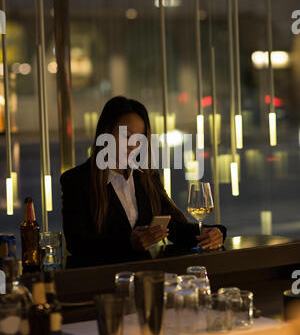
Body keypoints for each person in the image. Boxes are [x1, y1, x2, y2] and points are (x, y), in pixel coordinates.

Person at [60, 96, 226, 268]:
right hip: (101, 282)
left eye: (140, 138)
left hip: (145, 278)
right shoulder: (77, 180)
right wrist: (128, 243)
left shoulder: (146, 177)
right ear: (106, 132)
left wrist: (213, 232)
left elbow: (176, 229)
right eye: (126, 136)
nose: (133, 145)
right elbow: (77, 244)